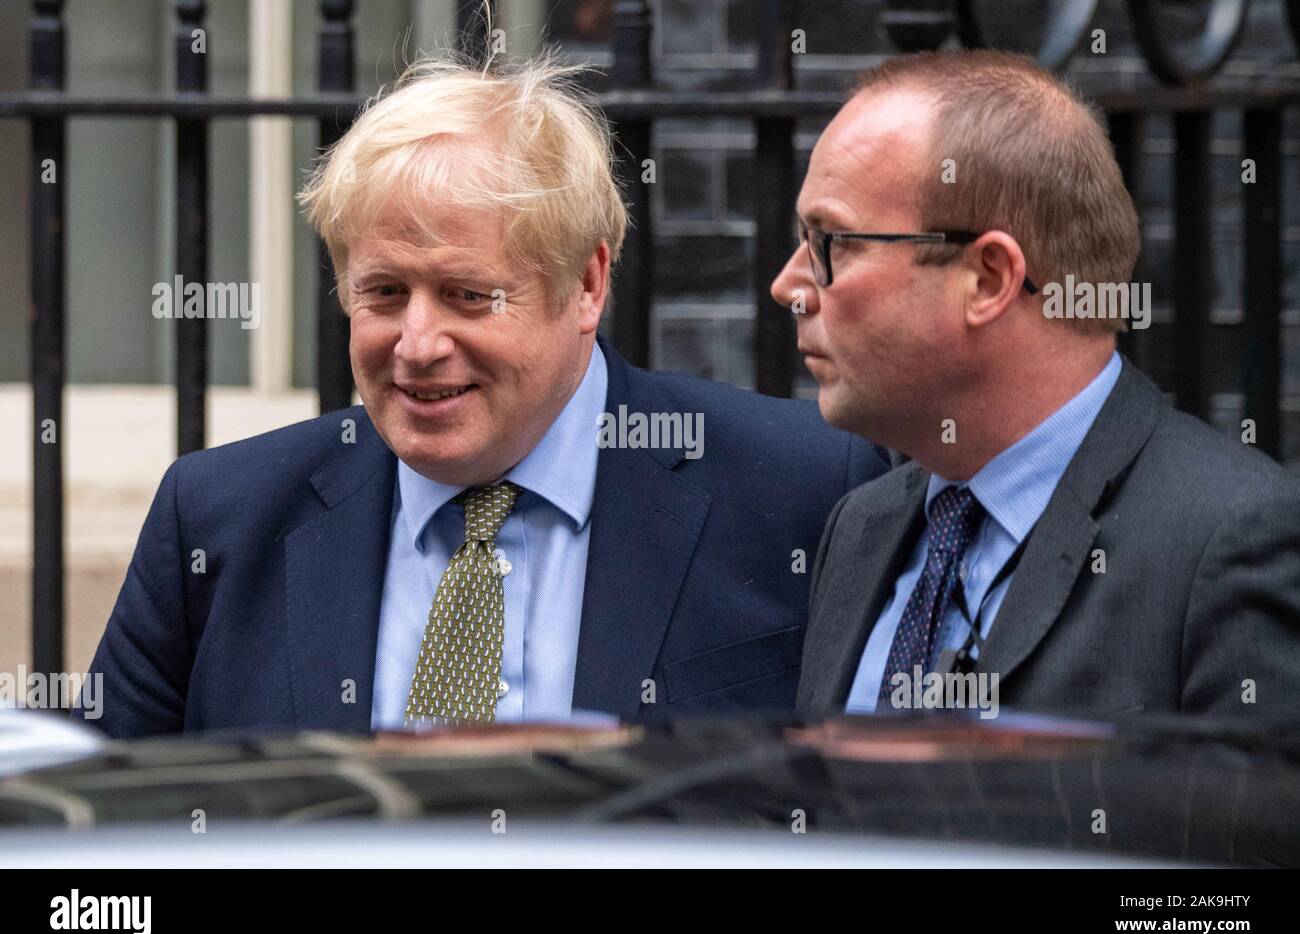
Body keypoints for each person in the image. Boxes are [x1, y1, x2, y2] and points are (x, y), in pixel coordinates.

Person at [76, 54, 887, 738]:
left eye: (468, 296)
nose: (418, 345)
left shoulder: (808, 489)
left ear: (587, 284)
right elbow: (93, 827)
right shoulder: (220, 518)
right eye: (385, 292)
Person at [770, 50, 1300, 720]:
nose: (787, 285)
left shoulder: (1228, 541)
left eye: (832, 241)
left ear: (989, 279)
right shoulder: (862, 525)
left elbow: (1241, 824)